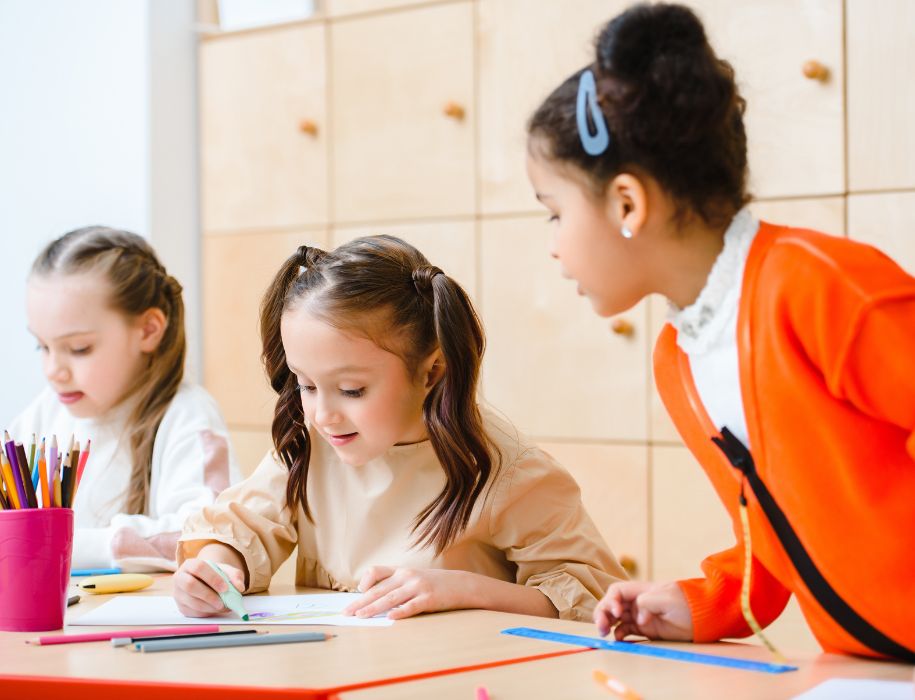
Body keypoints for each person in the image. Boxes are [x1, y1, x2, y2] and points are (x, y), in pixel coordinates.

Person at [525, 2, 915, 660]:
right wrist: (703, 601)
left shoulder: (818, 286)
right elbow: (778, 515)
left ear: (626, 203)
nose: (553, 247)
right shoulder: (681, 356)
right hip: (870, 671)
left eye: (553, 212)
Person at [175, 234, 626, 621]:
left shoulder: (507, 471)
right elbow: (245, 525)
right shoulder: (313, 443)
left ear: (431, 372)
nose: (322, 413)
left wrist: (465, 590)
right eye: (307, 384)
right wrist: (216, 568)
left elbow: (592, 599)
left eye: (352, 390)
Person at [9, 226, 240, 571]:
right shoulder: (45, 412)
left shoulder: (188, 416)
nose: (53, 370)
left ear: (148, 330)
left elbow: (207, 535)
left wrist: (56, 542)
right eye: (42, 346)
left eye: (78, 348)